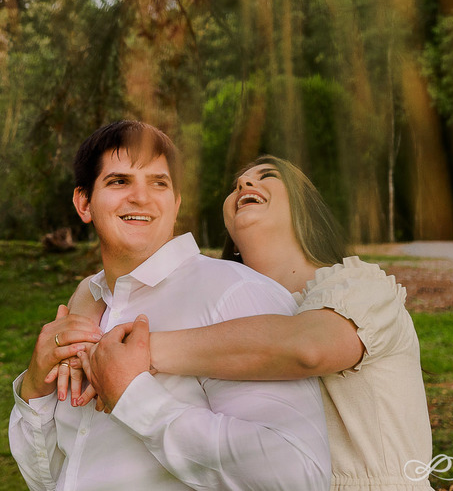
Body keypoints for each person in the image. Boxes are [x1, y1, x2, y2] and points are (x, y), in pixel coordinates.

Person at [65, 155, 433, 490]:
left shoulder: (359, 286)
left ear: (305, 210)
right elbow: (103, 285)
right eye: (236, 184)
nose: (243, 185)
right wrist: (78, 325)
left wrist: (142, 352)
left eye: (267, 176)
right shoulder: (230, 299)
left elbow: (307, 348)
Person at [9, 122, 330, 491]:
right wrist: (35, 387)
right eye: (119, 181)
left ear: (176, 204)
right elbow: (55, 477)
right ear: (84, 203)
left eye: (158, 183)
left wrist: (135, 398)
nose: (141, 197)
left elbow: (297, 476)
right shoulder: (89, 309)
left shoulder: (233, 294)